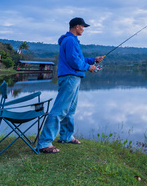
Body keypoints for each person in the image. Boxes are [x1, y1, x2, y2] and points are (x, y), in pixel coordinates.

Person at [37, 17, 104, 153]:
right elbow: (74, 61)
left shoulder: (71, 41)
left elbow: (77, 59)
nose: (83, 29)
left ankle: (66, 136)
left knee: (70, 110)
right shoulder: (70, 40)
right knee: (60, 109)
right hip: (70, 77)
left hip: (73, 77)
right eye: (83, 27)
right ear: (77, 26)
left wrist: (93, 60)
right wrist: (88, 67)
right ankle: (44, 142)